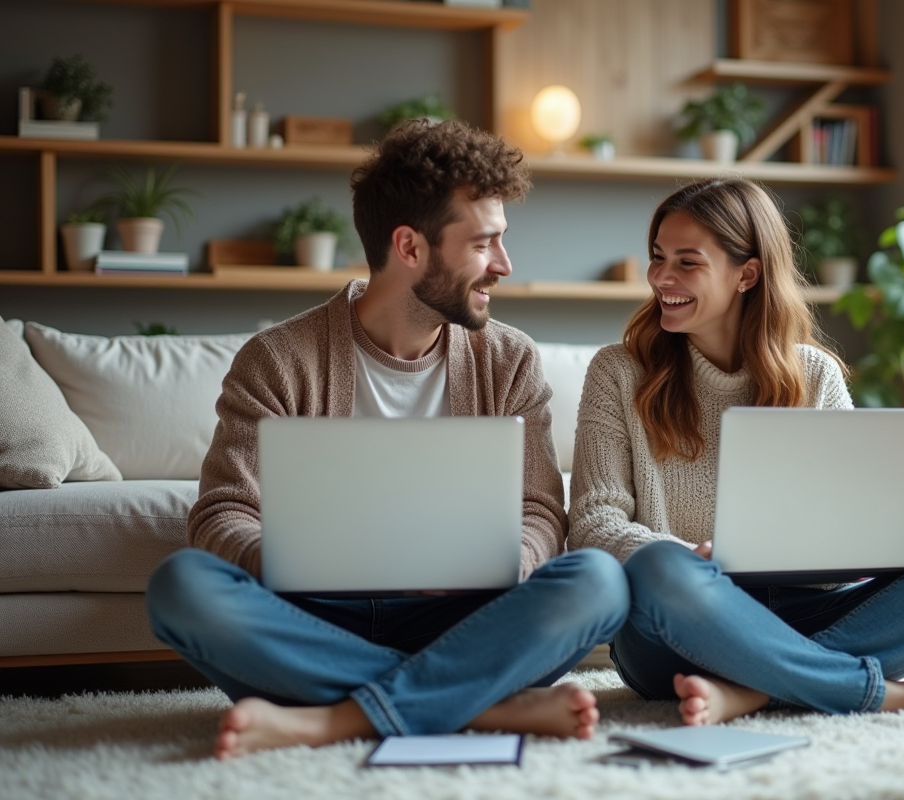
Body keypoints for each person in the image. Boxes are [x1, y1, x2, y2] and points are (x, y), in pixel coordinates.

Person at [146, 119, 629, 760]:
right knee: (182, 587)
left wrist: (503, 563)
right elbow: (221, 512)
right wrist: (289, 560)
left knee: (596, 580)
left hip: (461, 618)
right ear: (409, 246)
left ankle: (330, 720)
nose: (505, 266)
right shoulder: (278, 359)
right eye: (484, 244)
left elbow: (539, 509)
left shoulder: (509, 358)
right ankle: (478, 702)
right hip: (316, 614)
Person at [568, 177, 904, 726]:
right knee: (662, 567)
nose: (661, 278)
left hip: (807, 610)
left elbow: (855, 527)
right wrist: (687, 555)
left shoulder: (815, 373)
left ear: (747, 274)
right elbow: (592, 524)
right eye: (658, 257)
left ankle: (755, 691)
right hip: (680, 624)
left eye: (687, 262)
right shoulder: (618, 371)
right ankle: (890, 694)